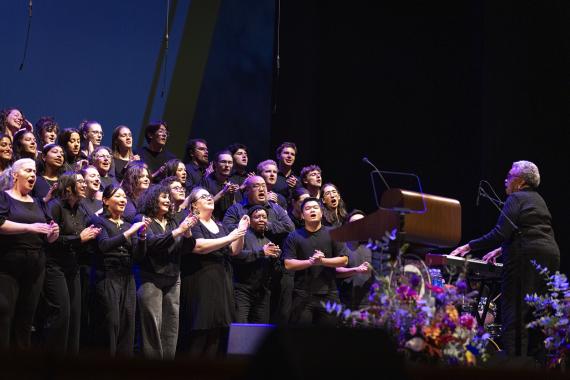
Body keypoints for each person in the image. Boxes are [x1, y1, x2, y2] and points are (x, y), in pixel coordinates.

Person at [450, 160, 560, 360]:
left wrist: (468, 246)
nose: (505, 180)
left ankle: (515, 366)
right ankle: (537, 366)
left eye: (509, 176)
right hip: (550, 255)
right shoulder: (539, 200)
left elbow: (500, 232)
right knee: (537, 315)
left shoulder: (516, 198)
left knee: (515, 315)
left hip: (524, 259)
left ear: (519, 181)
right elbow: (530, 231)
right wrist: (501, 250)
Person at [178, 187, 249, 357]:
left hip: (221, 281)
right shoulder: (192, 222)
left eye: (210, 195)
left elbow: (233, 250)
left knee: (216, 334)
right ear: (194, 205)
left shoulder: (219, 225)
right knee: (200, 334)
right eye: (204, 197)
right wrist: (232, 236)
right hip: (201, 281)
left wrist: (241, 232)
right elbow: (199, 246)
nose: (209, 198)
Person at [0, 158, 59, 349]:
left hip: (35, 265)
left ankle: (21, 367)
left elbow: (47, 235)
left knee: (27, 317)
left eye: (34, 171)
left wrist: (53, 233)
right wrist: (30, 228)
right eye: (28, 171)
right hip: (9, 264)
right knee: (5, 313)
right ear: (15, 175)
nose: (33, 175)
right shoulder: (4, 197)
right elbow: (1, 224)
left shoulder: (38, 203)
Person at [137, 185, 198, 359]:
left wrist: (187, 232)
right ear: (152, 199)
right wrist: (179, 230)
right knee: (152, 325)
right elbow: (153, 244)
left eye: (168, 199)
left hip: (173, 276)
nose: (167, 201)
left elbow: (187, 248)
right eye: (163, 197)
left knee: (171, 325)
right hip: (151, 277)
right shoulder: (143, 219)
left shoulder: (172, 221)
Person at [43, 172, 101, 354]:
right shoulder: (55, 207)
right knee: (62, 314)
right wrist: (80, 239)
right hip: (54, 266)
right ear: (69, 188)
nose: (84, 185)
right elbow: (51, 240)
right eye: (81, 182)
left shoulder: (81, 209)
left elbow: (82, 239)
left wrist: (91, 236)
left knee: (75, 316)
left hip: (73, 266)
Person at [88, 184, 150, 356]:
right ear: (106, 201)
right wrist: (130, 233)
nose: (123, 200)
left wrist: (142, 236)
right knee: (111, 323)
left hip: (127, 277)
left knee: (127, 325)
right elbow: (103, 245)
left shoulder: (128, 224)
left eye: (124, 197)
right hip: (107, 276)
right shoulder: (98, 220)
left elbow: (139, 256)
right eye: (118, 196)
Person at [283, 197, 348, 326]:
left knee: (328, 340)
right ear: (302, 215)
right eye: (307, 208)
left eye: (315, 207)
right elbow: (288, 264)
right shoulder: (294, 236)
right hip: (302, 294)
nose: (312, 210)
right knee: (302, 339)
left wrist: (322, 261)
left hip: (330, 294)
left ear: (322, 212)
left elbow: (344, 260)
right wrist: (311, 262)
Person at [232, 206, 281, 324]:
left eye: (264, 217)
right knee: (240, 329)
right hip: (242, 291)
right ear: (249, 220)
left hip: (262, 293)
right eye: (257, 217)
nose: (261, 219)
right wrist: (261, 252)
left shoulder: (269, 242)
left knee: (259, 332)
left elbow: (275, 271)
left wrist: (275, 259)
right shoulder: (242, 236)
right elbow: (236, 256)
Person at [335, 210, 374, 310]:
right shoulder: (340, 245)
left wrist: (372, 269)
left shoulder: (372, 246)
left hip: (366, 305)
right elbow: (336, 271)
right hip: (344, 304)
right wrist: (356, 270)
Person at [200, 150, 241, 221]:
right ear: (215, 164)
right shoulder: (206, 181)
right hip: (211, 221)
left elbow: (237, 209)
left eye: (230, 162)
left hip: (229, 223)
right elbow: (204, 205)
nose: (227, 165)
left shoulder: (233, 182)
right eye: (223, 162)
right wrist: (223, 192)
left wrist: (233, 195)